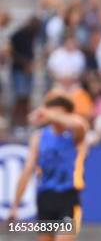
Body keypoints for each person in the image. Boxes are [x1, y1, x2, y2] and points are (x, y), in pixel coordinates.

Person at [8, 95, 88, 241]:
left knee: (65, 238)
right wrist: (15, 205)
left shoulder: (74, 133)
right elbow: (27, 170)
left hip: (68, 197)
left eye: (59, 113)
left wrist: (48, 113)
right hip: (45, 197)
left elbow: (78, 125)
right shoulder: (39, 137)